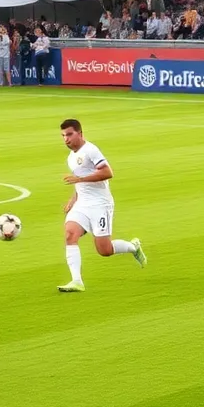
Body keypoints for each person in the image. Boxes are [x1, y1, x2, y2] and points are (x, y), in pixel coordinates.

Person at [58, 119, 145, 292]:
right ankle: (77, 281)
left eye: (69, 134)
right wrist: (73, 198)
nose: (66, 139)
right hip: (82, 204)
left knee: (104, 250)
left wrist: (80, 180)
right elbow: (80, 180)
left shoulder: (91, 150)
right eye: (63, 136)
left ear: (80, 133)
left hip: (100, 204)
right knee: (70, 234)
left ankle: (133, 247)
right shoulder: (71, 157)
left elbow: (107, 172)